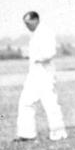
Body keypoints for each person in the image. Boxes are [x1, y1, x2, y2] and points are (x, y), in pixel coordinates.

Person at [16, 11, 67, 142]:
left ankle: (58, 134)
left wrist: (36, 57)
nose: (27, 26)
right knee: (25, 102)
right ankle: (27, 134)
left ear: (35, 20)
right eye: (25, 24)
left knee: (50, 104)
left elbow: (50, 52)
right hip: (34, 73)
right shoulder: (35, 34)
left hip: (45, 74)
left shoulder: (46, 32)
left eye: (28, 23)